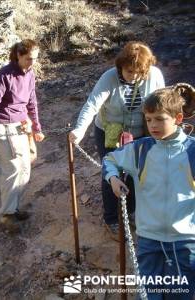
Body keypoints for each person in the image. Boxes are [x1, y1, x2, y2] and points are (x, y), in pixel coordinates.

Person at [103, 88, 195, 299]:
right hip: (148, 239)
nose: (153, 125)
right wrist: (113, 179)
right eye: (149, 119)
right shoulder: (139, 149)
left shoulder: (192, 151)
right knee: (148, 295)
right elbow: (110, 160)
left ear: (178, 118)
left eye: (160, 119)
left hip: (184, 242)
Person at [69, 41, 165, 240]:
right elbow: (92, 104)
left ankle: (130, 211)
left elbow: (162, 103)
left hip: (140, 134)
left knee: (136, 174)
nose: (134, 76)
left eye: (140, 72)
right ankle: (112, 219)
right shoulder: (109, 78)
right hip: (109, 132)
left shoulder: (154, 75)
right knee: (111, 173)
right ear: (121, 66)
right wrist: (80, 129)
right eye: (130, 72)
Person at [0, 39, 45, 232]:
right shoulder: (5, 74)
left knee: (25, 168)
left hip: (21, 126)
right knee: (12, 169)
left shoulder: (30, 73)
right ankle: (7, 215)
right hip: (4, 126)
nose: (31, 63)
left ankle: (13, 208)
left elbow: (32, 101)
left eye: (34, 59)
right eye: (28, 59)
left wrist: (37, 127)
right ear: (18, 55)